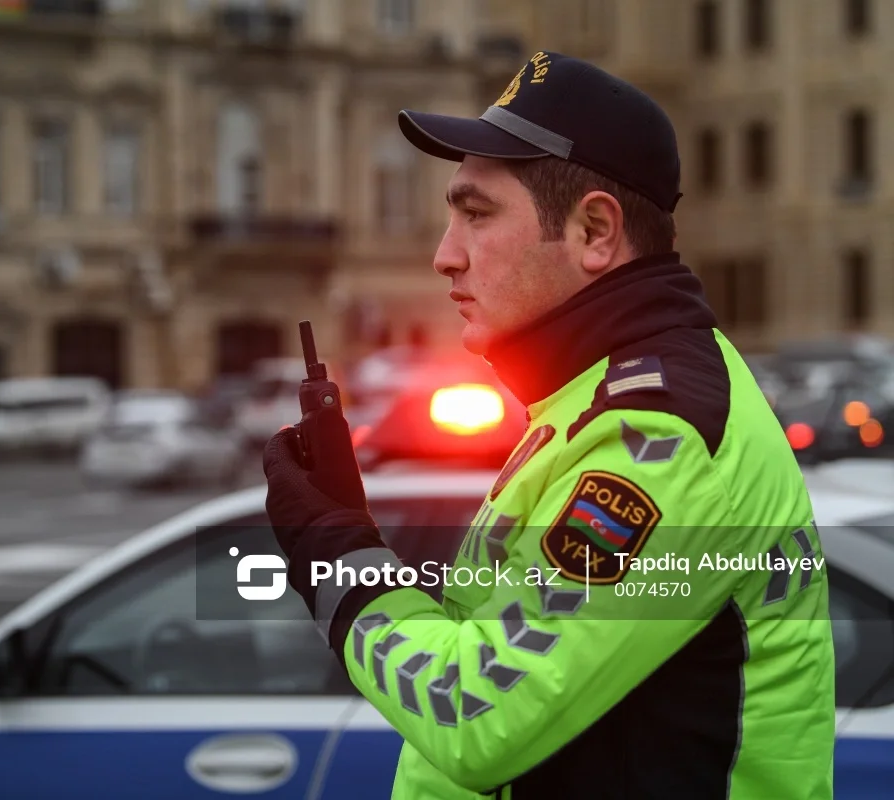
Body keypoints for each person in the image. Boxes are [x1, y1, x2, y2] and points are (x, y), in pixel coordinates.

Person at [262, 51, 835, 799]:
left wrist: (337, 553)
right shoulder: (596, 398)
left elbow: (472, 712)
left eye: (476, 214)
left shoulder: (658, 439)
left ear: (595, 231)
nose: (444, 256)